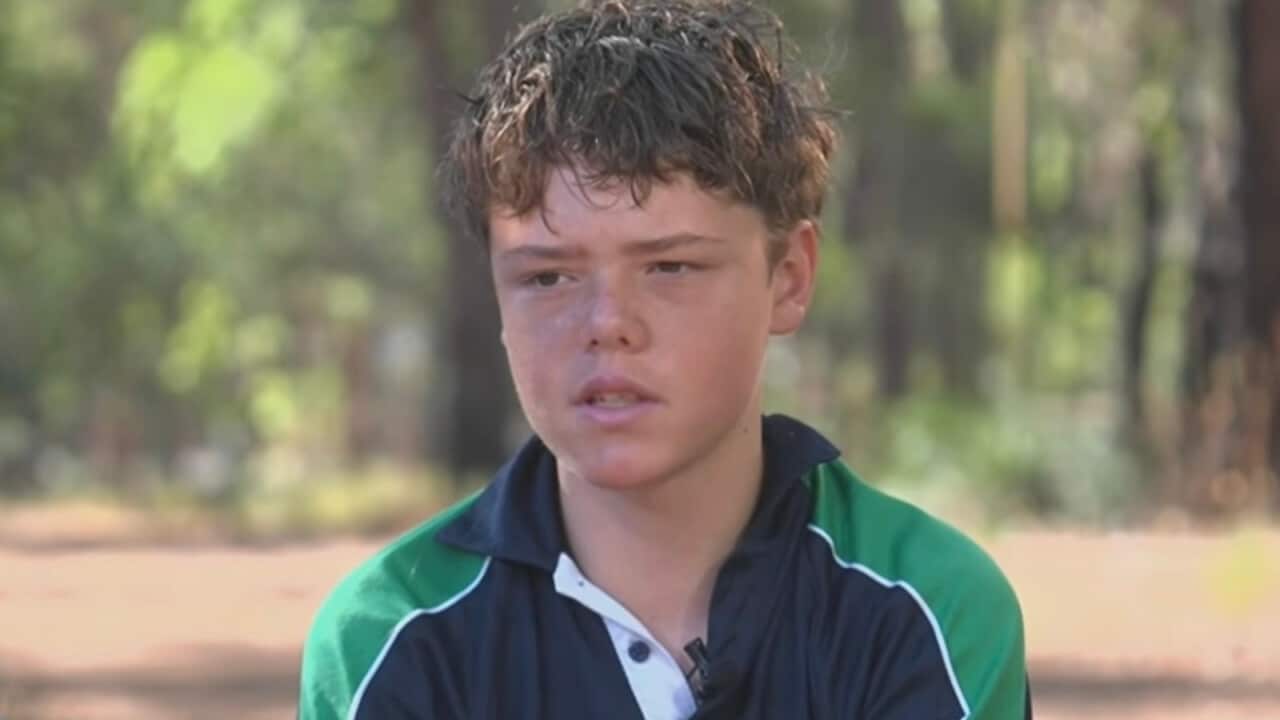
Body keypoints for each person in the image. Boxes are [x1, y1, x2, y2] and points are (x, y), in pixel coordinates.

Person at [299, 1, 1031, 718]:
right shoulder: (393, 640)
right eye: (547, 277)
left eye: (671, 267)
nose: (607, 324)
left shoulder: (922, 611)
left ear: (789, 278)